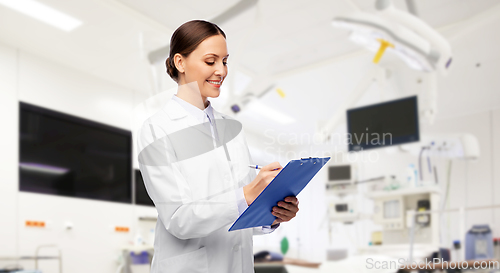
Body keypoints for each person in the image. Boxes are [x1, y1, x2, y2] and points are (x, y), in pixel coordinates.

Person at [137, 20, 300, 273]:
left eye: (224, 61)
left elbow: (239, 216)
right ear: (180, 62)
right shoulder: (158, 128)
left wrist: (273, 214)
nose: (221, 71)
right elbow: (179, 220)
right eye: (210, 61)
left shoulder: (232, 129)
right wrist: (246, 194)